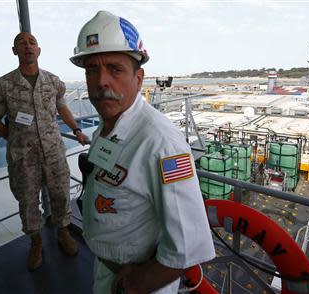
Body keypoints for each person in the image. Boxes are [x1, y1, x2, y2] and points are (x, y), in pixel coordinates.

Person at [70, 11, 215, 293]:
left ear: (139, 78)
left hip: (141, 281)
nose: (101, 81)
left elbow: (189, 244)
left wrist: (134, 285)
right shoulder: (105, 128)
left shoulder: (162, 144)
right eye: (91, 70)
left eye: (115, 69)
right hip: (107, 266)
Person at [0, 32, 90, 271]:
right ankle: (36, 241)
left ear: (39, 50)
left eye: (32, 42)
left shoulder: (53, 82)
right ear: (15, 51)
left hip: (53, 151)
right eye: (21, 43)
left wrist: (76, 130)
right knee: (28, 201)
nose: (27, 46)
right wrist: (14, 139)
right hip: (23, 157)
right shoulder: (3, 85)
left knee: (61, 193)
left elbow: (62, 108)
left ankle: (63, 232)